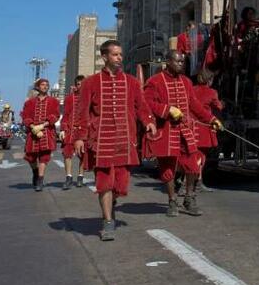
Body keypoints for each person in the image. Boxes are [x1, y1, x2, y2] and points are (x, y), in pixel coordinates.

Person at [73, 40, 156, 241]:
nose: (120, 58)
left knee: (120, 184)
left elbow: (141, 106)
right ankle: (108, 221)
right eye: (115, 55)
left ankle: (112, 203)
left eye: (120, 54)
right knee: (104, 183)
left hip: (124, 139)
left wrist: (148, 122)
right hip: (100, 140)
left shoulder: (131, 82)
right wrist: (79, 137)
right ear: (105, 57)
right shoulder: (90, 83)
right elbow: (82, 112)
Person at [143, 51, 221, 217]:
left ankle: (189, 198)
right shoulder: (154, 81)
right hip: (166, 131)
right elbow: (147, 103)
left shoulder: (186, 82)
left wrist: (211, 119)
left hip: (185, 129)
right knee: (168, 168)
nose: (181, 64)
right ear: (168, 61)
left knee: (193, 164)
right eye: (178, 61)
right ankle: (172, 200)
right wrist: (167, 109)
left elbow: (194, 105)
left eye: (183, 62)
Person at [21, 78, 60, 192]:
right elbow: (25, 116)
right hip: (33, 132)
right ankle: (35, 172)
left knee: (44, 157)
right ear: (38, 87)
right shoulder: (30, 102)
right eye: (42, 85)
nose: (45, 86)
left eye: (47, 85)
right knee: (30, 157)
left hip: (46, 132)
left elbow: (55, 115)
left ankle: (40, 180)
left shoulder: (54, 101)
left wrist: (43, 125)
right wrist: (33, 127)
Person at [192, 71, 224, 172]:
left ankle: (192, 180)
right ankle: (196, 182)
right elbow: (218, 106)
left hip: (191, 127)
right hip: (203, 129)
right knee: (201, 156)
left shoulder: (191, 90)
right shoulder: (212, 92)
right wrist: (223, 103)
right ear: (209, 80)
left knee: (192, 155)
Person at [60, 75, 86, 189]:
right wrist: (62, 129)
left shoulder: (90, 97)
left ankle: (80, 177)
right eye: (79, 84)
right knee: (67, 154)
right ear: (76, 85)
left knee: (83, 155)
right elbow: (65, 115)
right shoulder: (69, 98)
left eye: (83, 84)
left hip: (84, 131)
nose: (81, 86)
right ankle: (68, 177)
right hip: (71, 130)